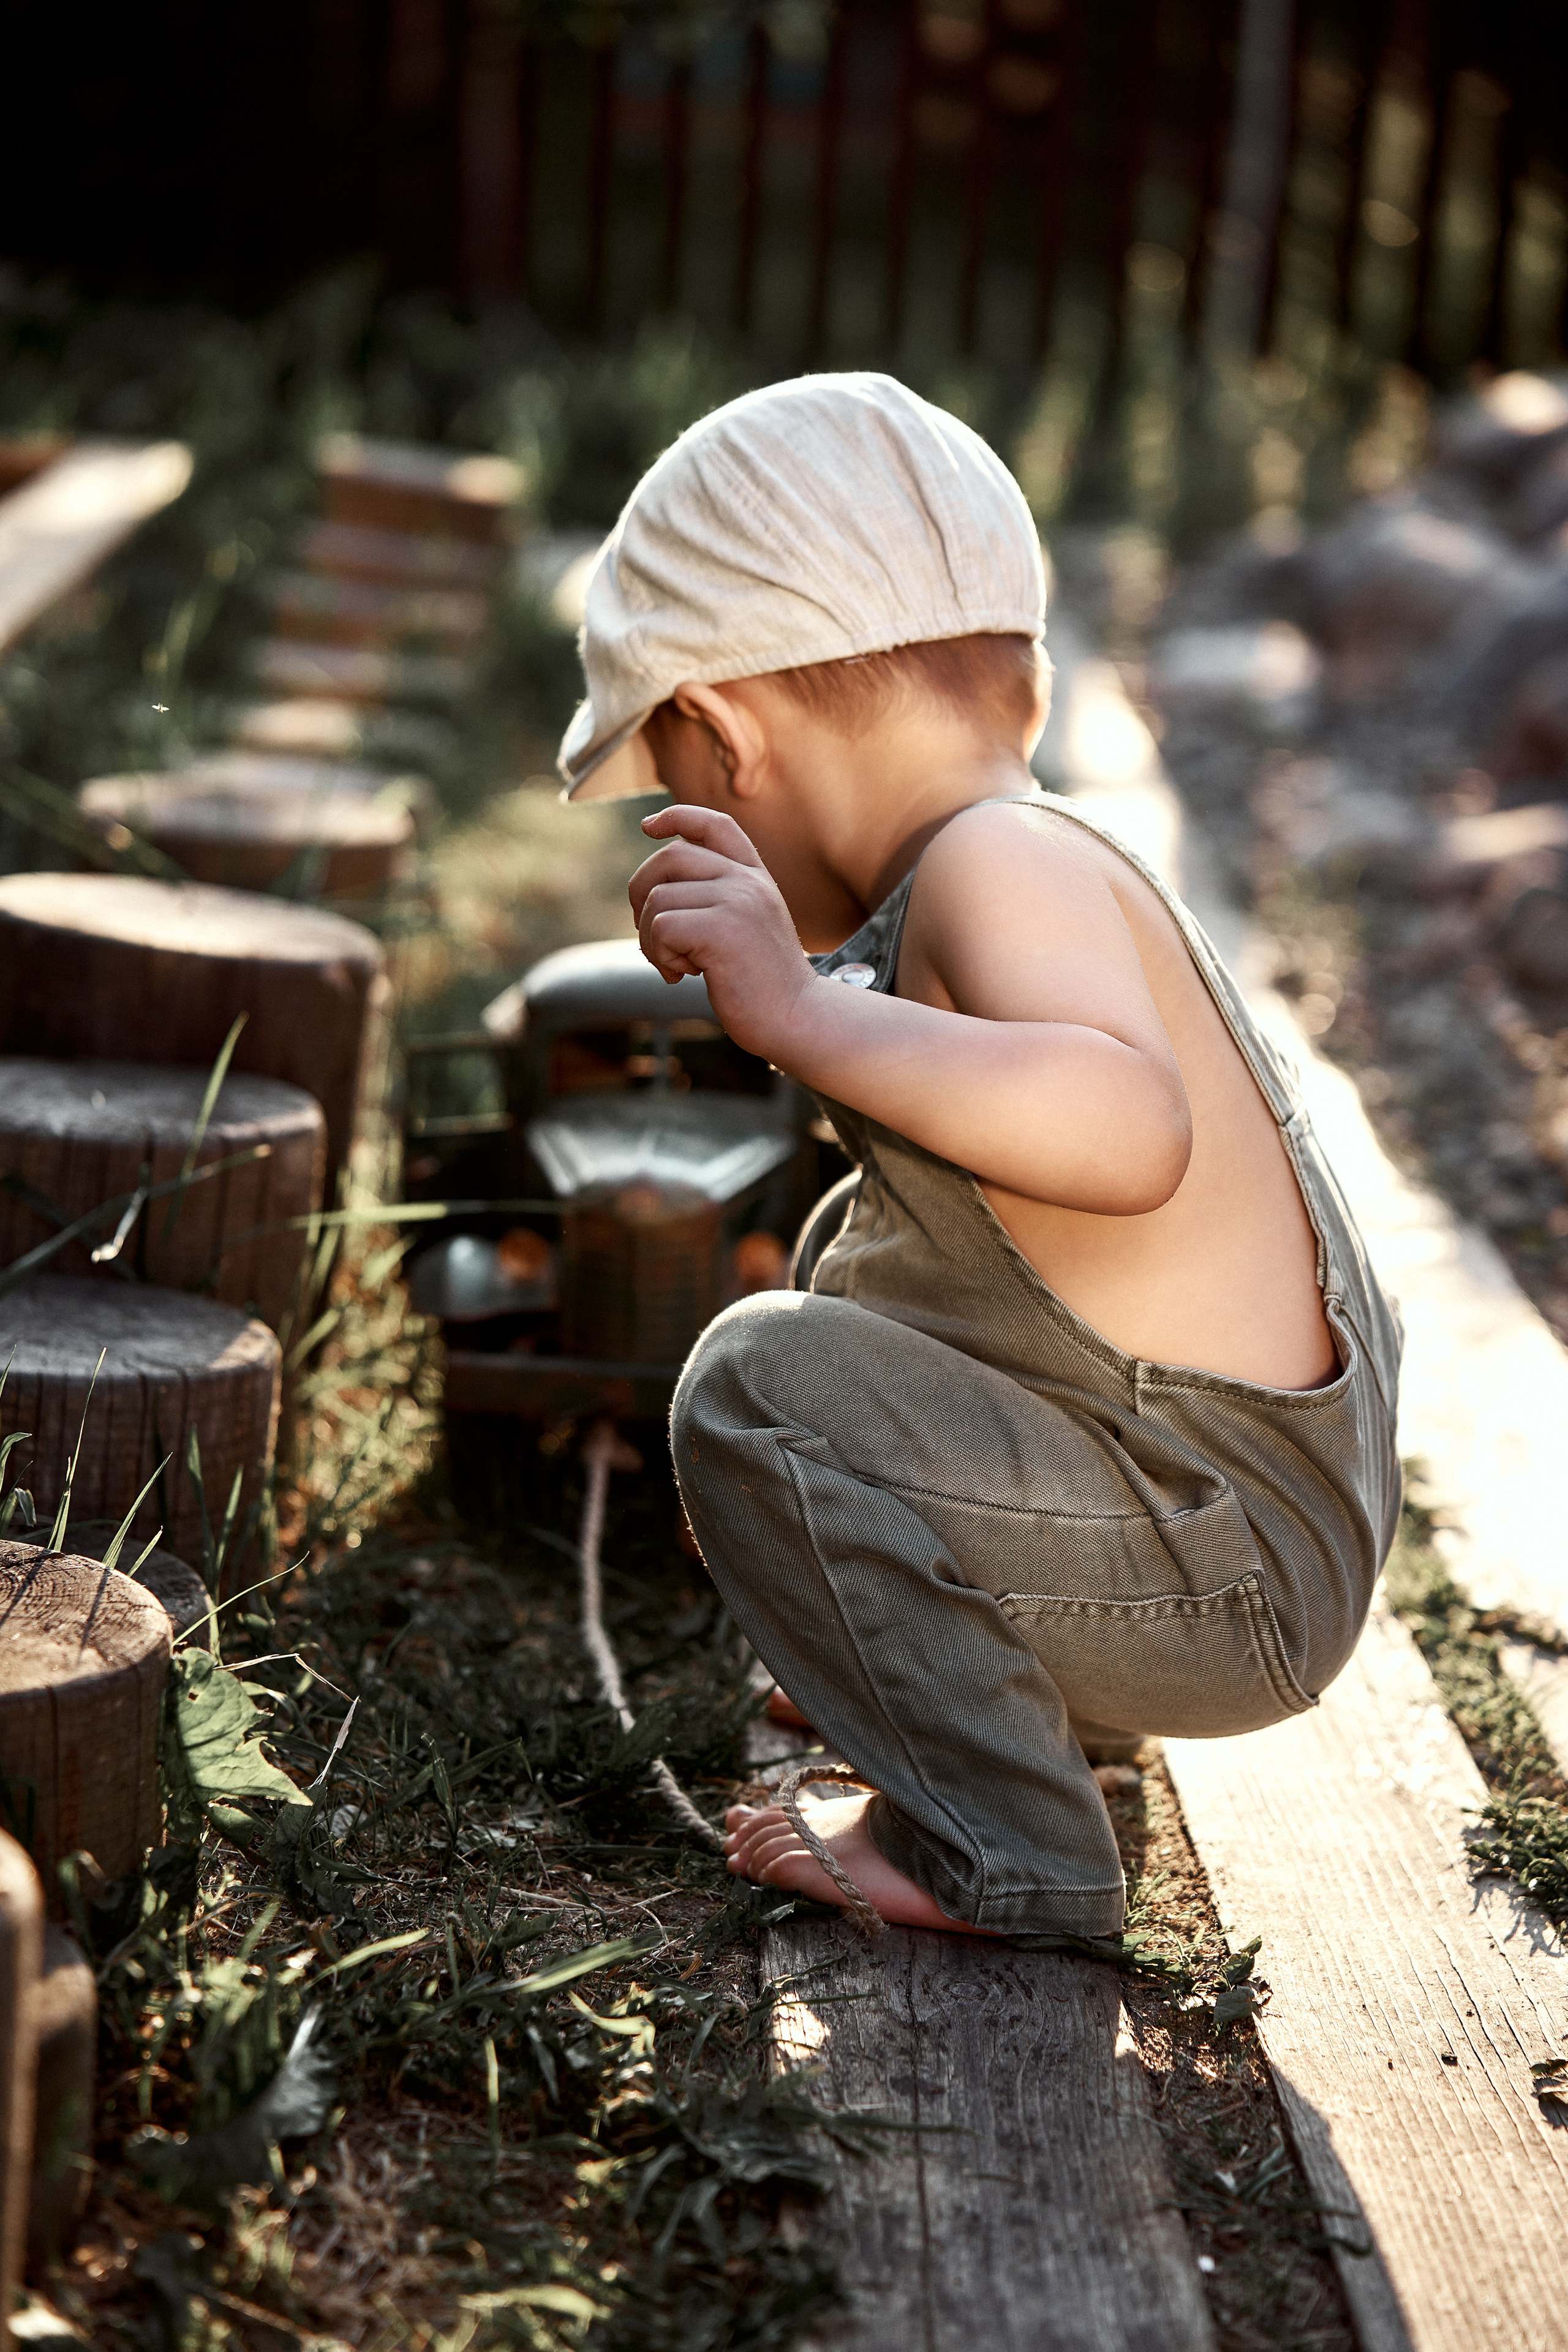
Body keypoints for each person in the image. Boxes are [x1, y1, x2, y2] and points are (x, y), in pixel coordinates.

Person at [557, 373, 1402, 1940]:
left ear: (731, 737)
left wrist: (803, 1013)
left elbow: (1124, 1129)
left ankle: (1003, 1846)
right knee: (853, 1271)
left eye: (666, 775)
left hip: (1222, 1577)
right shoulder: (1013, 858)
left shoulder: (998, 860)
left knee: (759, 1380)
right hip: (1206, 1527)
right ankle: (951, 1688)